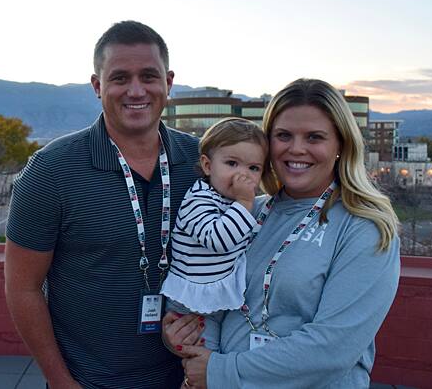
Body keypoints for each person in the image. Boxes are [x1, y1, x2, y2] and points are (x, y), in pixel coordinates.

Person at [164, 78, 401, 388]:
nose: (296, 149)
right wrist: (181, 331)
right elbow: (210, 289)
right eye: (283, 136)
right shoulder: (246, 213)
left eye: (314, 137)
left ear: (340, 144)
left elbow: (331, 349)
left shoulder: (365, 226)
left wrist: (220, 371)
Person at [5, 20, 201, 388]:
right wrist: (62, 383)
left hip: (188, 379)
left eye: (148, 76)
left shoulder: (203, 164)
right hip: (90, 381)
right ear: (97, 86)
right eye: (120, 78)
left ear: (168, 82)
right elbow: (22, 288)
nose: (136, 90)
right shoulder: (50, 171)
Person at [160, 118, 268, 348]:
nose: (243, 175)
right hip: (194, 302)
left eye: (253, 168)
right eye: (232, 163)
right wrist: (245, 201)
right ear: (208, 166)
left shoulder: (229, 201)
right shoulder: (198, 199)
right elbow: (218, 240)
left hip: (220, 295)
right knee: (204, 358)